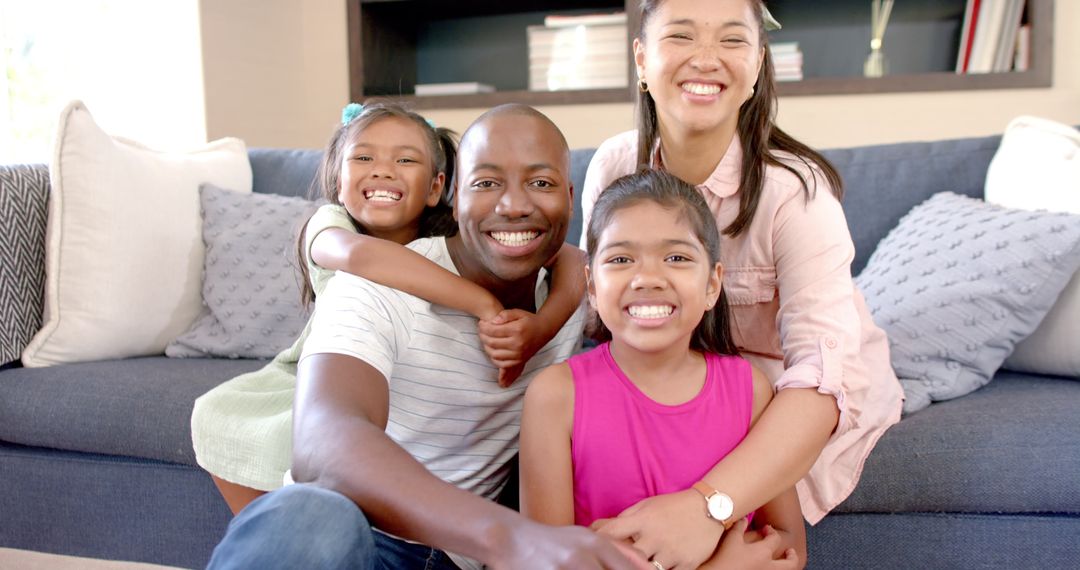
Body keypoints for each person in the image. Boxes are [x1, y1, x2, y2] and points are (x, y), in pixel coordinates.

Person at [205, 104, 650, 570]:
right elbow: (323, 442)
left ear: (570, 197)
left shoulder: (579, 290)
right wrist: (510, 538)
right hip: (365, 544)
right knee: (309, 514)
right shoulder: (377, 283)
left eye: (541, 184)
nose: (515, 205)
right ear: (454, 197)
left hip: (458, 562)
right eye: (486, 183)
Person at [578, 0, 904, 567]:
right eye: (681, 36)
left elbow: (821, 380)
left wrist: (706, 507)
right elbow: (600, 317)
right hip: (668, 374)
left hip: (772, 389)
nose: (706, 59)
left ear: (756, 65)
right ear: (641, 58)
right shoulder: (613, 166)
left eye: (732, 41)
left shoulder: (796, 195)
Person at [521, 170, 804, 569]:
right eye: (621, 259)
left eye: (676, 258)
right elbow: (543, 561)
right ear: (592, 286)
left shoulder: (750, 390)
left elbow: (790, 544)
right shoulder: (555, 395)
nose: (647, 279)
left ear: (712, 284)